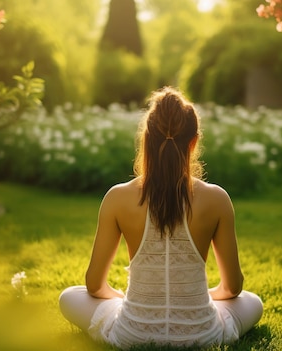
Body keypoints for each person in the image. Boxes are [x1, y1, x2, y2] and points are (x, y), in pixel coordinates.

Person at [59, 87, 263, 349]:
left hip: (132, 334)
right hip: (202, 334)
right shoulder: (217, 199)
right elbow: (233, 288)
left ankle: (133, 308)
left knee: (69, 296)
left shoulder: (117, 197)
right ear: (193, 142)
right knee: (252, 302)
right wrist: (198, 299)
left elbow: (94, 286)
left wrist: (123, 300)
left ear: (146, 140)